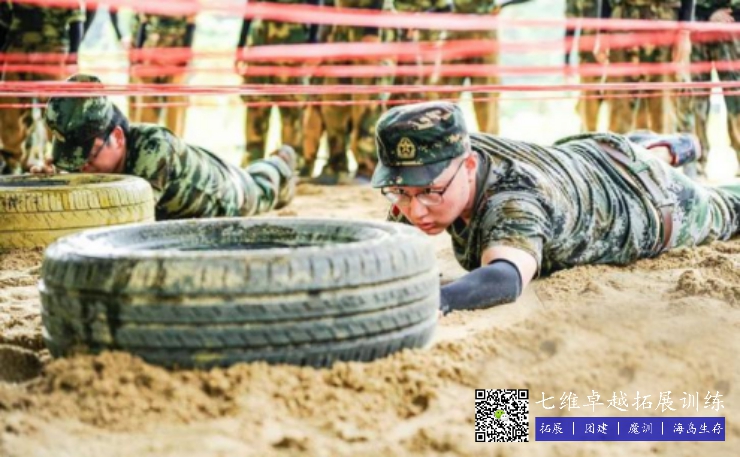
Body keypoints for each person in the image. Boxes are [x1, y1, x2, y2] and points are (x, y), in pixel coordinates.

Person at [371, 101, 740, 315]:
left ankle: (660, 155)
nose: (415, 210)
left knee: (729, 205)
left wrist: (434, 300)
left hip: (649, 202)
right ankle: (662, 149)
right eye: (400, 191)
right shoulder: (442, 152)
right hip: (586, 155)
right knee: (636, 156)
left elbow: (505, 278)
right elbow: (392, 234)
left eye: (430, 192)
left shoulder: (513, 199)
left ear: (468, 165)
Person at [33, 74, 297, 221]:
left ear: (118, 138)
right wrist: (49, 183)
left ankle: (281, 162)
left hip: (229, 195)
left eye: (88, 157)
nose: (80, 168)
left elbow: (124, 222)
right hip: (197, 167)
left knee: (263, 188)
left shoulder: (154, 149)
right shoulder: (99, 155)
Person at [0, 1, 84, 175]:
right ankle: (12, 163)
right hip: (17, 49)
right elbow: (3, 21)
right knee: (11, 111)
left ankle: (63, 163)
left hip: (52, 50)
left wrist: (72, 57)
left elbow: (77, 19)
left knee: (57, 110)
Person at [689, 1, 740, 177]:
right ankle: (696, 161)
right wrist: (705, 16)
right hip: (695, 23)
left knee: (736, 97)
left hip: (730, 22)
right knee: (695, 98)